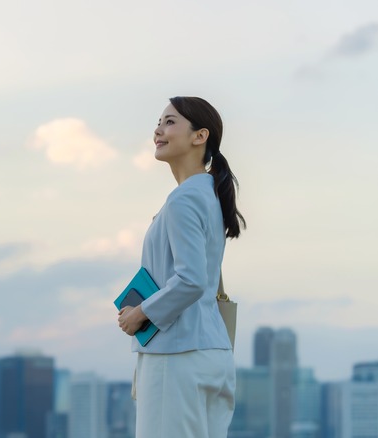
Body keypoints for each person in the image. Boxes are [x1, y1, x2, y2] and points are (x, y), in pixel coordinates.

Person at [117, 96, 245, 438]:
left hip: (176, 353)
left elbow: (191, 280)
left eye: (170, 122)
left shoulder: (185, 198)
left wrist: (140, 312)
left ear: (199, 136)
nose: (158, 130)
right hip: (209, 353)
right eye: (159, 122)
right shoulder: (208, 195)